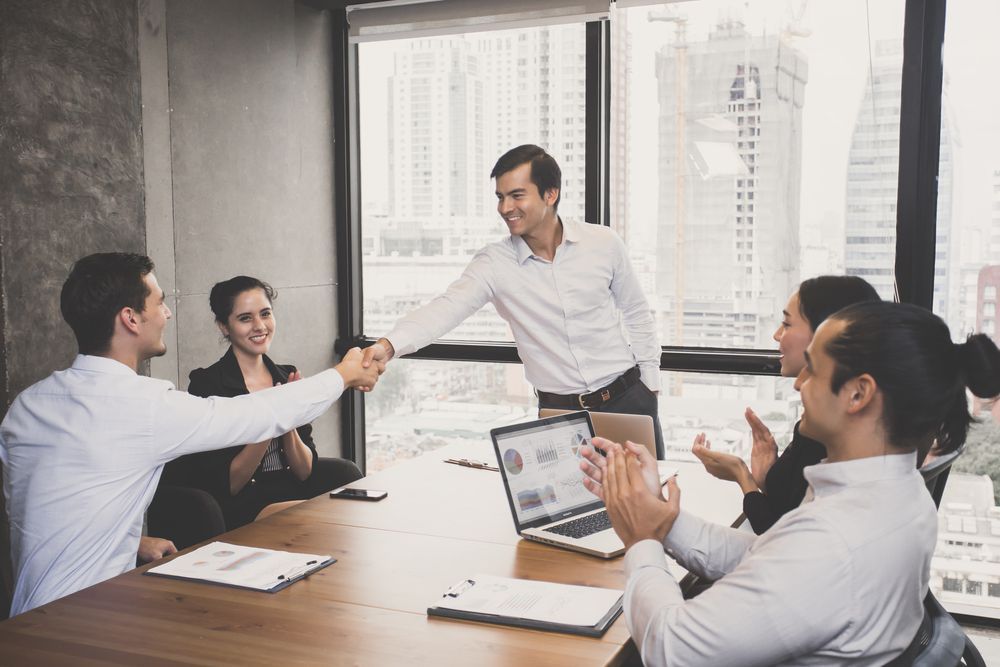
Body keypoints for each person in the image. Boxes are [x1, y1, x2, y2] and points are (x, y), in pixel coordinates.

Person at [580, 301, 1000, 665]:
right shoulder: (900, 495)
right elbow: (764, 556)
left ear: (858, 394)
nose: (799, 383)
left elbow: (670, 648)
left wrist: (640, 539)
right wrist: (659, 516)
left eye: (813, 370)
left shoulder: (834, 541)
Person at [0, 253, 380, 616]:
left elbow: (46, 511)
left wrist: (132, 541)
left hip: (26, 621)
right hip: (94, 617)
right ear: (131, 319)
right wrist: (345, 374)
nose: (166, 312)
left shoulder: (29, 405)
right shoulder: (146, 407)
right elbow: (259, 413)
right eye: (160, 303)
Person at [362, 144, 665, 456]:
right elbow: (444, 310)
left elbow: (637, 312)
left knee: (647, 502)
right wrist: (387, 346)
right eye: (500, 197)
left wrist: (650, 388)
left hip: (628, 401)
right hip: (559, 417)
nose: (505, 207)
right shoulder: (494, 264)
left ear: (551, 194)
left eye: (517, 195)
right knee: (566, 505)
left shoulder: (603, 243)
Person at [160, 276, 362, 529]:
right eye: (245, 318)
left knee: (352, 508)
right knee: (326, 518)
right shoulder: (208, 383)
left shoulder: (286, 375)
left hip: (293, 493)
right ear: (224, 326)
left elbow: (304, 472)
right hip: (243, 505)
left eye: (265, 314)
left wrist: (288, 415)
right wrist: (271, 415)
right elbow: (231, 483)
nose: (259, 325)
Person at [691, 275, 880, 533]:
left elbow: (778, 534)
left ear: (827, 334)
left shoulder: (835, 434)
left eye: (787, 324)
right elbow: (793, 506)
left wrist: (741, 475)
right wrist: (768, 475)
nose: (776, 335)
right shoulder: (829, 419)